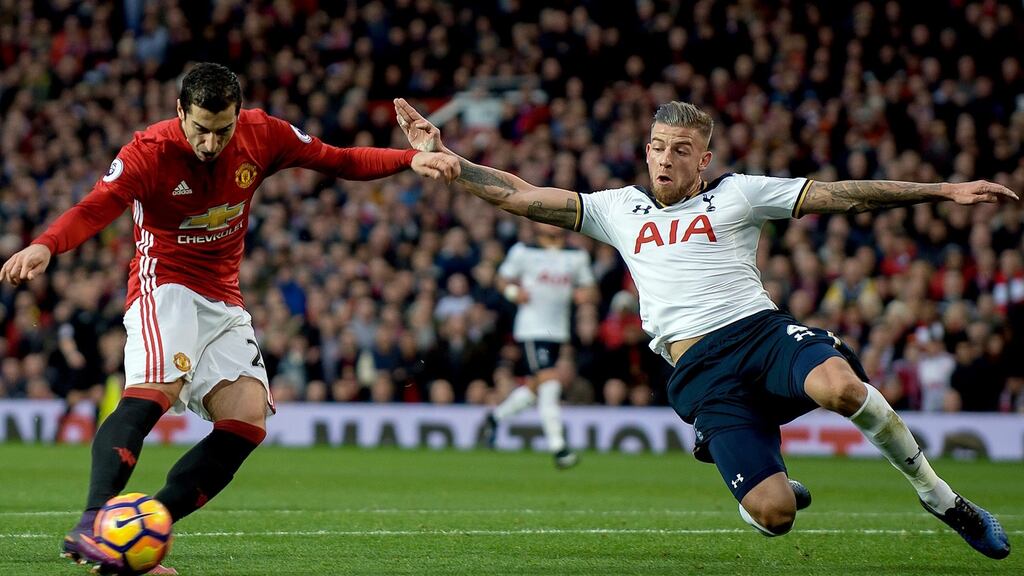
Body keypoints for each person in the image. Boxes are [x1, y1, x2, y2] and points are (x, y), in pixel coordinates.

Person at [394, 97, 1014, 559]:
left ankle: (940, 497)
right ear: (646, 151)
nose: (666, 157)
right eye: (658, 146)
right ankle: (751, 475)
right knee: (775, 516)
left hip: (760, 334)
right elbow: (520, 195)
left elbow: (841, 194)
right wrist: (451, 160)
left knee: (842, 387)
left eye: (681, 149)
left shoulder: (739, 195)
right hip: (701, 370)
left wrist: (944, 190)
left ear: (704, 159)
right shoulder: (618, 209)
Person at [0, 63, 458, 576]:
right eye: (201, 129)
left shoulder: (263, 134)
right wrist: (45, 245)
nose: (212, 143)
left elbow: (339, 158)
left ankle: (133, 535)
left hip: (223, 298)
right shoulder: (148, 152)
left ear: (239, 115)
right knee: (156, 391)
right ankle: (92, 523)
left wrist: (410, 158)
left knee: (246, 420)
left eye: (223, 130)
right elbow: (95, 206)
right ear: (180, 112)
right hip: (165, 285)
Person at [481, 221, 598, 468]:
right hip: (532, 328)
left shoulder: (576, 255)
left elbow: (590, 288)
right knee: (551, 382)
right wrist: (514, 293)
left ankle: (495, 417)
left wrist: (585, 295)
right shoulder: (523, 251)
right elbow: (501, 279)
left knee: (537, 386)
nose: (552, 224)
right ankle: (559, 448)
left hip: (559, 330)